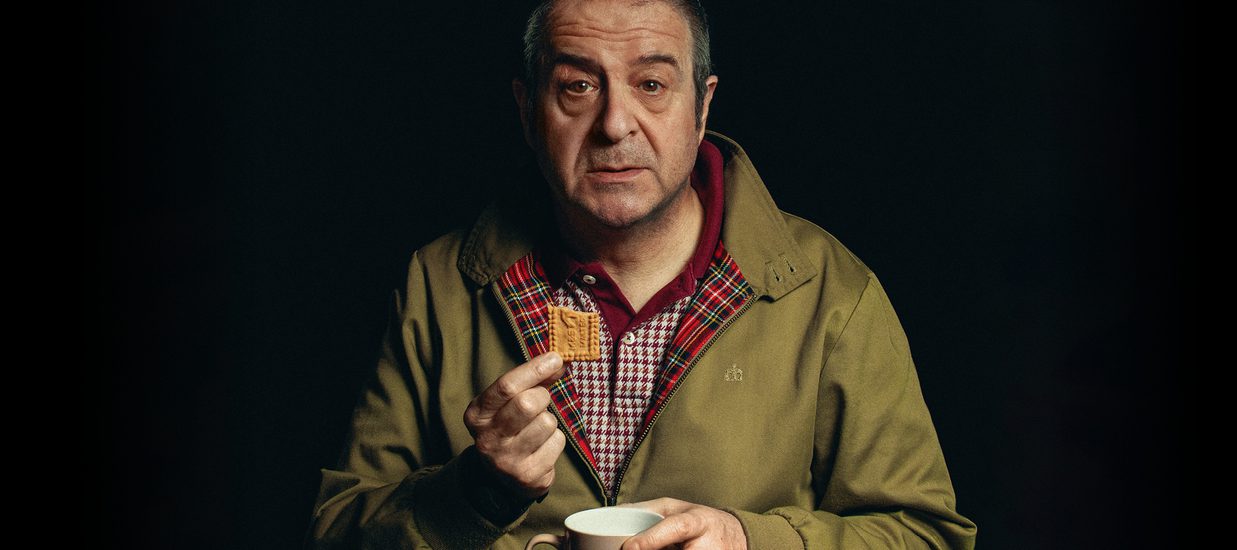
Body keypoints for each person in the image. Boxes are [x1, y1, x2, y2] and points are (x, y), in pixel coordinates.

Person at [307, 0, 978, 548]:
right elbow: (335, 532)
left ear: (702, 105)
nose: (615, 123)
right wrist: (473, 494)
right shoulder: (441, 285)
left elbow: (927, 536)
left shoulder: (830, 293)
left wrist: (751, 541)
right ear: (526, 109)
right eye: (576, 86)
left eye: (651, 84)